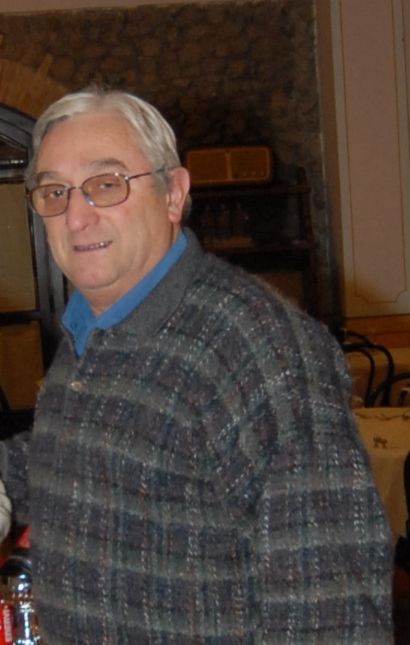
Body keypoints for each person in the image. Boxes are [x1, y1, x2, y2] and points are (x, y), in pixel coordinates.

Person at [0, 88, 392, 644]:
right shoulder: (92, 329)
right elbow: (92, 457)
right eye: (54, 191)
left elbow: (333, 613)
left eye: (106, 183)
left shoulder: (261, 349)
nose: (77, 215)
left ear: (173, 194)